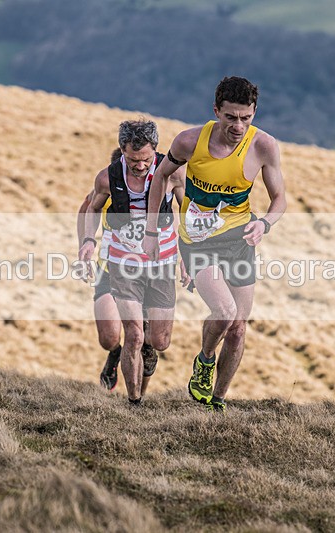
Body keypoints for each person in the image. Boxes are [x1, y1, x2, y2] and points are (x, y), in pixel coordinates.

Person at [143, 76, 287, 412]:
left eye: (246, 118)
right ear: (216, 111)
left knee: (237, 329)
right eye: (231, 117)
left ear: (254, 113)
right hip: (197, 242)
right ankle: (205, 360)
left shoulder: (263, 146)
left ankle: (217, 401)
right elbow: (160, 176)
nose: (238, 126)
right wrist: (152, 231)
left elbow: (280, 198)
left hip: (239, 241)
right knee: (224, 311)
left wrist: (265, 224)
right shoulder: (189, 141)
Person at [79, 119, 186, 405]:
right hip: (121, 262)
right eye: (132, 159)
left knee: (160, 341)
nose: (139, 165)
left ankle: (148, 349)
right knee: (133, 334)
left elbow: (186, 210)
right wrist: (88, 241)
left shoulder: (173, 173)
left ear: (156, 150)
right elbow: (91, 208)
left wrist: (188, 254)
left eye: (146, 159)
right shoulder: (107, 178)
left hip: (161, 262)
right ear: (122, 151)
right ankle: (134, 401)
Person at [76, 148, 123, 390]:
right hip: (109, 269)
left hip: (148, 271)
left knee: (146, 339)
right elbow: (86, 209)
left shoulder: (154, 188)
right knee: (108, 338)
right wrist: (84, 245)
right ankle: (114, 353)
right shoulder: (105, 188)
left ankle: (137, 398)